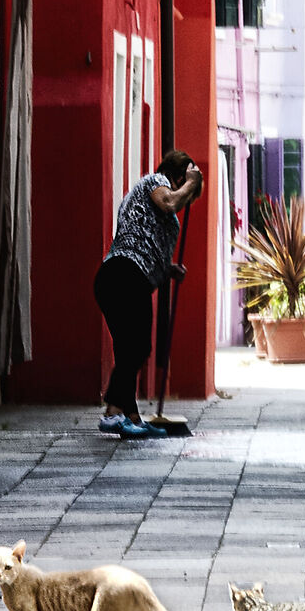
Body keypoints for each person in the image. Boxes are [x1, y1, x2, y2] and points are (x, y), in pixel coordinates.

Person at [94, 149, 206, 439]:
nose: (186, 202)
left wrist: (168, 270)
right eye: (188, 191)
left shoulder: (160, 206)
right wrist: (192, 183)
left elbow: (147, 243)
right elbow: (169, 202)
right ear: (180, 177)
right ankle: (112, 413)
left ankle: (131, 416)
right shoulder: (154, 182)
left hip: (126, 277)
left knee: (129, 348)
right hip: (123, 273)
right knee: (138, 345)